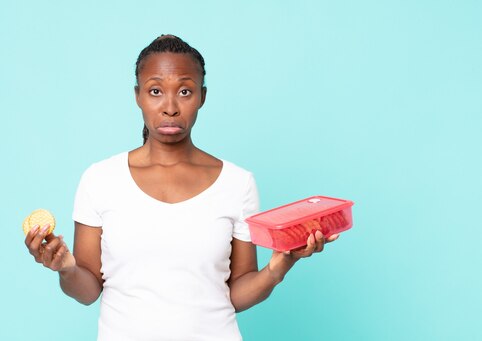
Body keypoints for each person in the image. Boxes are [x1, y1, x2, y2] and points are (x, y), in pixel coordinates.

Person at [24, 34, 339, 341]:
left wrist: (279, 266)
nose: (170, 107)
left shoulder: (238, 183)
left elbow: (237, 293)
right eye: (156, 91)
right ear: (138, 96)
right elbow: (88, 290)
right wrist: (65, 268)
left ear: (202, 96)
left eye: (185, 92)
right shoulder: (100, 179)